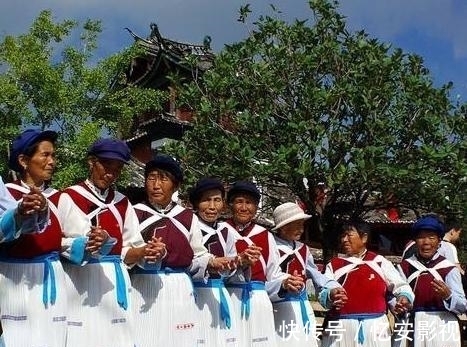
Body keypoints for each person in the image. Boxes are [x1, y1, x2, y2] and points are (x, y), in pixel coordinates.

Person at [57, 138, 153, 347]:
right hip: (80, 282)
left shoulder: (122, 202)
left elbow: (130, 247)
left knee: (117, 337)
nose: (111, 173)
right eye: (106, 165)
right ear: (91, 162)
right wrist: (84, 245)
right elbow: (56, 241)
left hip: (114, 280)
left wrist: (146, 251)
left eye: (117, 168)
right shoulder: (69, 197)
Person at [130, 155, 229, 347]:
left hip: (179, 288)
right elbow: (126, 251)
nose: (156, 185)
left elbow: (198, 254)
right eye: (151, 178)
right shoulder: (134, 212)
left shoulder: (186, 217)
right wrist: (144, 252)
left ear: (175, 186)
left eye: (163, 179)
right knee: (145, 337)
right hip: (144, 286)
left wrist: (211, 262)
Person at [0, 129, 67, 347]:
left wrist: (93, 242)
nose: (51, 162)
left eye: (53, 156)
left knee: (52, 339)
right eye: (45, 155)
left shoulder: (60, 198)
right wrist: (19, 213)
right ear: (23, 160)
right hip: (15, 279)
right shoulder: (8, 193)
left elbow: (67, 241)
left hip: (52, 278)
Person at [224, 181, 302, 347]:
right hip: (229, 297)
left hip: (259, 300)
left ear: (256, 207)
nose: (244, 208)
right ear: (230, 204)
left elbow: (273, 274)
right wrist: (238, 262)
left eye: (249, 203)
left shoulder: (265, 236)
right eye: (239, 202)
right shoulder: (222, 230)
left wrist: (285, 282)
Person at [320, 220, 414, 347]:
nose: (344, 240)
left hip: (375, 326)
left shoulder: (379, 262)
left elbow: (400, 285)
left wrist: (403, 297)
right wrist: (331, 294)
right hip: (341, 326)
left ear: (364, 237)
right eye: (343, 236)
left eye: (349, 235)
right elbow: (323, 291)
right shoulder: (335, 265)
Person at [270, 202, 347, 347]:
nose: (301, 229)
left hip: (302, 307)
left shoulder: (303, 249)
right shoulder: (270, 245)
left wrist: (332, 289)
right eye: (296, 224)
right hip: (278, 308)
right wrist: (283, 284)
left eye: (302, 224)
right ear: (283, 226)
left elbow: (318, 277)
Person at [398, 215, 467, 347]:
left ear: (439, 241)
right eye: (421, 237)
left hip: (443, 326)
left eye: (431, 237)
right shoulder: (404, 267)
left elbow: (463, 305)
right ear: (415, 241)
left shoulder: (448, 269)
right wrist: (399, 304)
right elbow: (395, 297)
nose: (426, 242)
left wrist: (448, 296)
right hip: (413, 323)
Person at [188, 177, 242, 347]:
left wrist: (240, 261)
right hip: (194, 294)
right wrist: (209, 263)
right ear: (196, 203)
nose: (212, 207)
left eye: (217, 200)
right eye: (206, 200)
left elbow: (231, 267)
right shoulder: (188, 224)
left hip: (219, 294)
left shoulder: (226, 231)